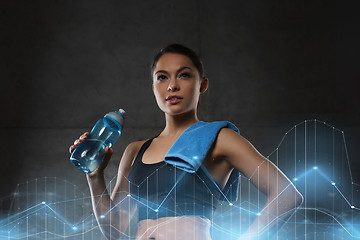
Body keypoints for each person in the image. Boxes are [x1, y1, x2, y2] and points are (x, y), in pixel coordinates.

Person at [69, 44, 303, 240]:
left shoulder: (220, 139)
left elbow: (287, 194)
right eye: (162, 77)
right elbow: (114, 229)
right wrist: (95, 176)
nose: (172, 85)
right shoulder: (136, 151)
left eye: (184, 75)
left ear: (202, 84)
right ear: (154, 88)